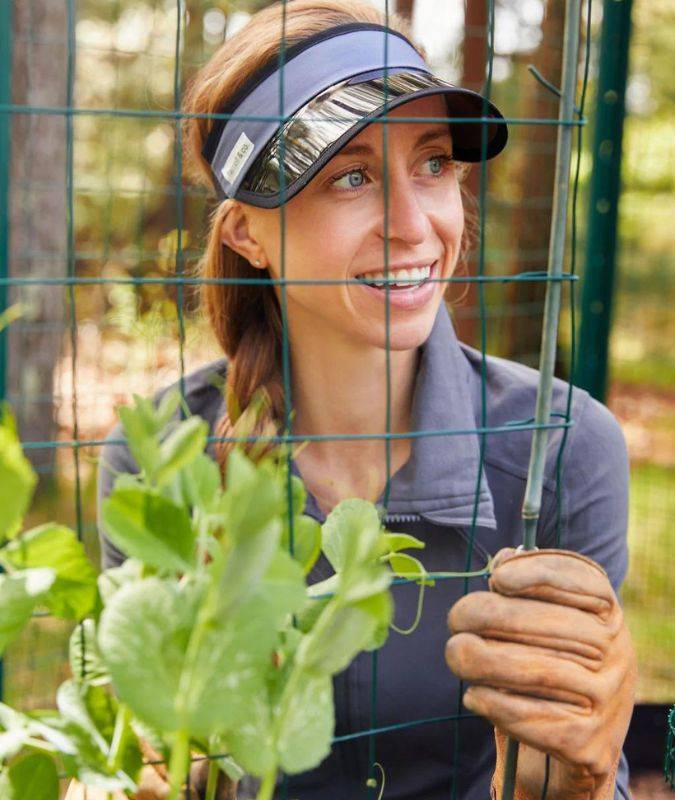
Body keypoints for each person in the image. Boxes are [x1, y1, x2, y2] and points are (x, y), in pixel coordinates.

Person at [97, 1, 636, 798]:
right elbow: (151, 763)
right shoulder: (162, 454)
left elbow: (592, 775)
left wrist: (577, 781)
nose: (415, 225)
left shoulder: (561, 442)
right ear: (246, 232)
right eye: (349, 176)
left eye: (433, 165)